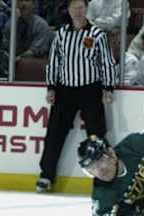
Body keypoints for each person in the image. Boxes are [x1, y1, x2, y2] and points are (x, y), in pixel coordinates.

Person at [36, 0, 115, 193]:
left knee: (97, 136)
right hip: (65, 91)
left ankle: (105, 177)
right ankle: (46, 175)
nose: (78, 12)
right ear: (69, 11)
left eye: (81, 8)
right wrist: (51, 87)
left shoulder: (97, 34)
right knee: (54, 133)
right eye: (75, 8)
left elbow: (106, 61)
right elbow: (54, 62)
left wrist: (108, 87)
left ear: (86, 10)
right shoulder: (61, 34)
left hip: (90, 90)